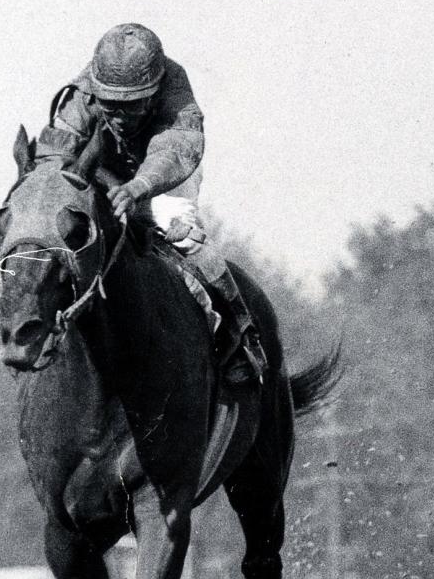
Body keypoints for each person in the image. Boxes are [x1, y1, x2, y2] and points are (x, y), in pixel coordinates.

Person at [34, 23, 266, 385]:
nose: (119, 117)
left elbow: (174, 150)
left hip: (168, 172)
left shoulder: (176, 92)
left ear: (154, 93)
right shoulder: (82, 96)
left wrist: (140, 186)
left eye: (132, 105)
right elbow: (55, 156)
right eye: (110, 106)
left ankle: (240, 330)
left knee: (181, 232)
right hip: (109, 169)